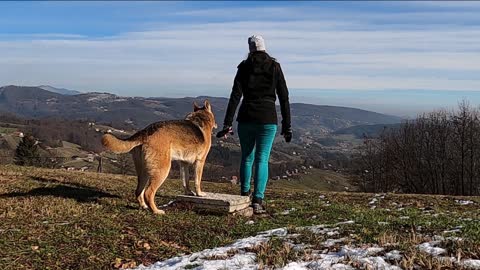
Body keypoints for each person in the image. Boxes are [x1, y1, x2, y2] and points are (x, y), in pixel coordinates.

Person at [216, 35, 292, 214]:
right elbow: (284, 97)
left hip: (246, 117)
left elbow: (235, 96)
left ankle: (244, 194)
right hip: (267, 118)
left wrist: (227, 123)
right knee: (262, 159)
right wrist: (287, 125)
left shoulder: (244, 67)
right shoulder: (274, 67)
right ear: (264, 48)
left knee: (247, 158)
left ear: (250, 49)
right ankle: (258, 199)